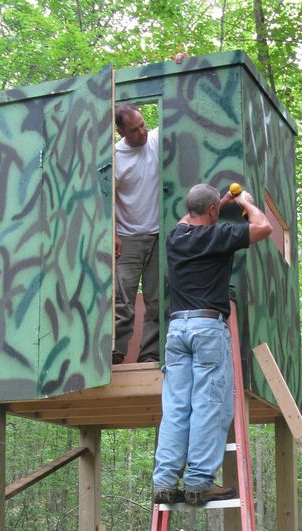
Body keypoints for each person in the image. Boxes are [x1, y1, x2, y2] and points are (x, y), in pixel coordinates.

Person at [152, 183, 272, 506]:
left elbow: (190, 217)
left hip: (177, 330)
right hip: (207, 328)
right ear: (213, 212)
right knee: (208, 404)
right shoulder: (219, 236)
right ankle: (197, 483)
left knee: (176, 407)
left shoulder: (175, 237)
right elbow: (264, 227)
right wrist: (245, 202)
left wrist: (218, 201)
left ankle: (164, 482)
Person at [112, 104, 160, 364]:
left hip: (158, 234)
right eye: (134, 129)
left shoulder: (155, 139)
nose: (142, 132)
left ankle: (150, 355)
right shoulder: (115, 157)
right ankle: (114, 355)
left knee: (157, 299)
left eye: (143, 125)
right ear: (121, 132)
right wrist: (113, 234)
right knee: (122, 300)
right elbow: (105, 198)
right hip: (127, 237)